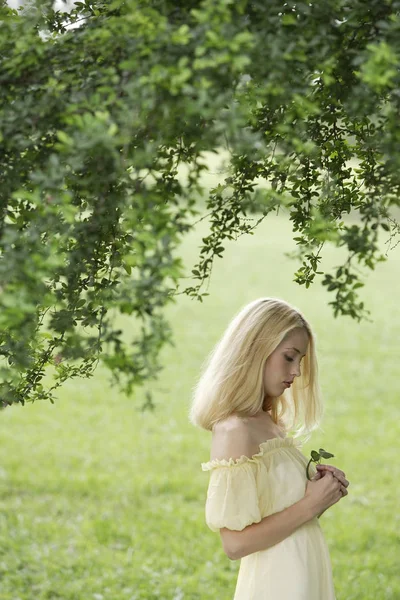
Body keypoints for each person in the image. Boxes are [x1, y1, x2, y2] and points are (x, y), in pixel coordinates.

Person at [189, 297, 349, 600]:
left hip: (303, 572)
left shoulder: (269, 424)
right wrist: (310, 505)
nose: (297, 372)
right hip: (278, 582)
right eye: (289, 357)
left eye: (299, 361)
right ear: (255, 351)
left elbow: (279, 513)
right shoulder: (235, 431)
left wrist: (321, 494)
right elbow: (234, 544)